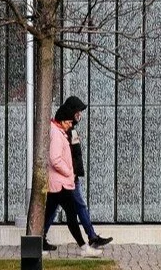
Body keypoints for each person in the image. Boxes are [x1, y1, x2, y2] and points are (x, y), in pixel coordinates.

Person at [43, 95, 112, 256]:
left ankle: (39, 240)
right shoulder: (58, 132)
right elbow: (56, 158)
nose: (75, 120)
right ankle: (86, 243)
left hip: (64, 180)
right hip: (62, 181)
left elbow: (73, 153)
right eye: (76, 114)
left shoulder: (65, 129)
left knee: (53, 211)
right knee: (73, 212)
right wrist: (69, 171)